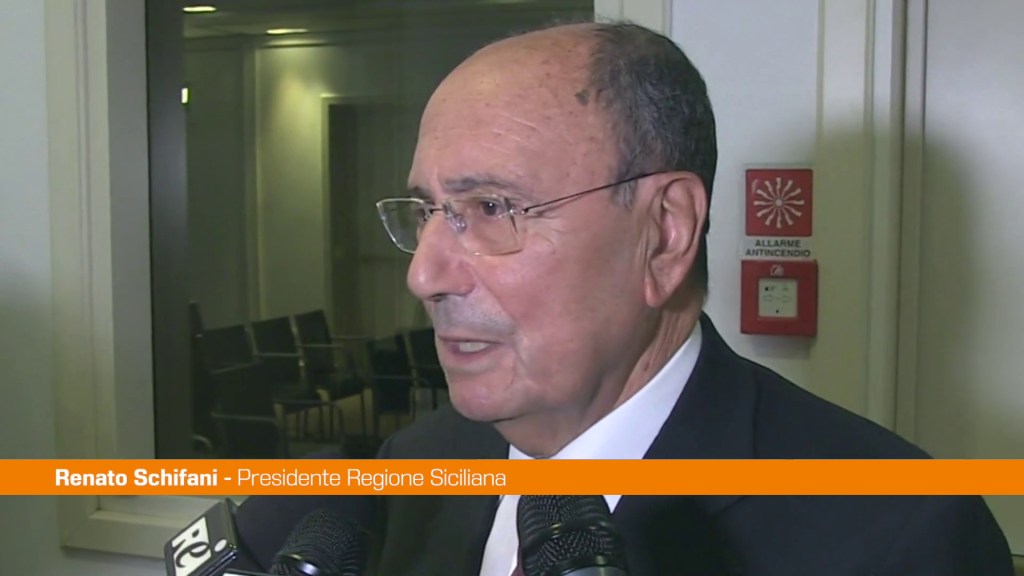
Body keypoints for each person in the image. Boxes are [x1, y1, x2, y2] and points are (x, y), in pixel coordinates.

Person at [237, 21, 1014, 576]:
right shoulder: (411, 471)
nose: (426, 275)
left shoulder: (901, 533)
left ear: (665, 234)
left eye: (493, 208)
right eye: (426, 212)